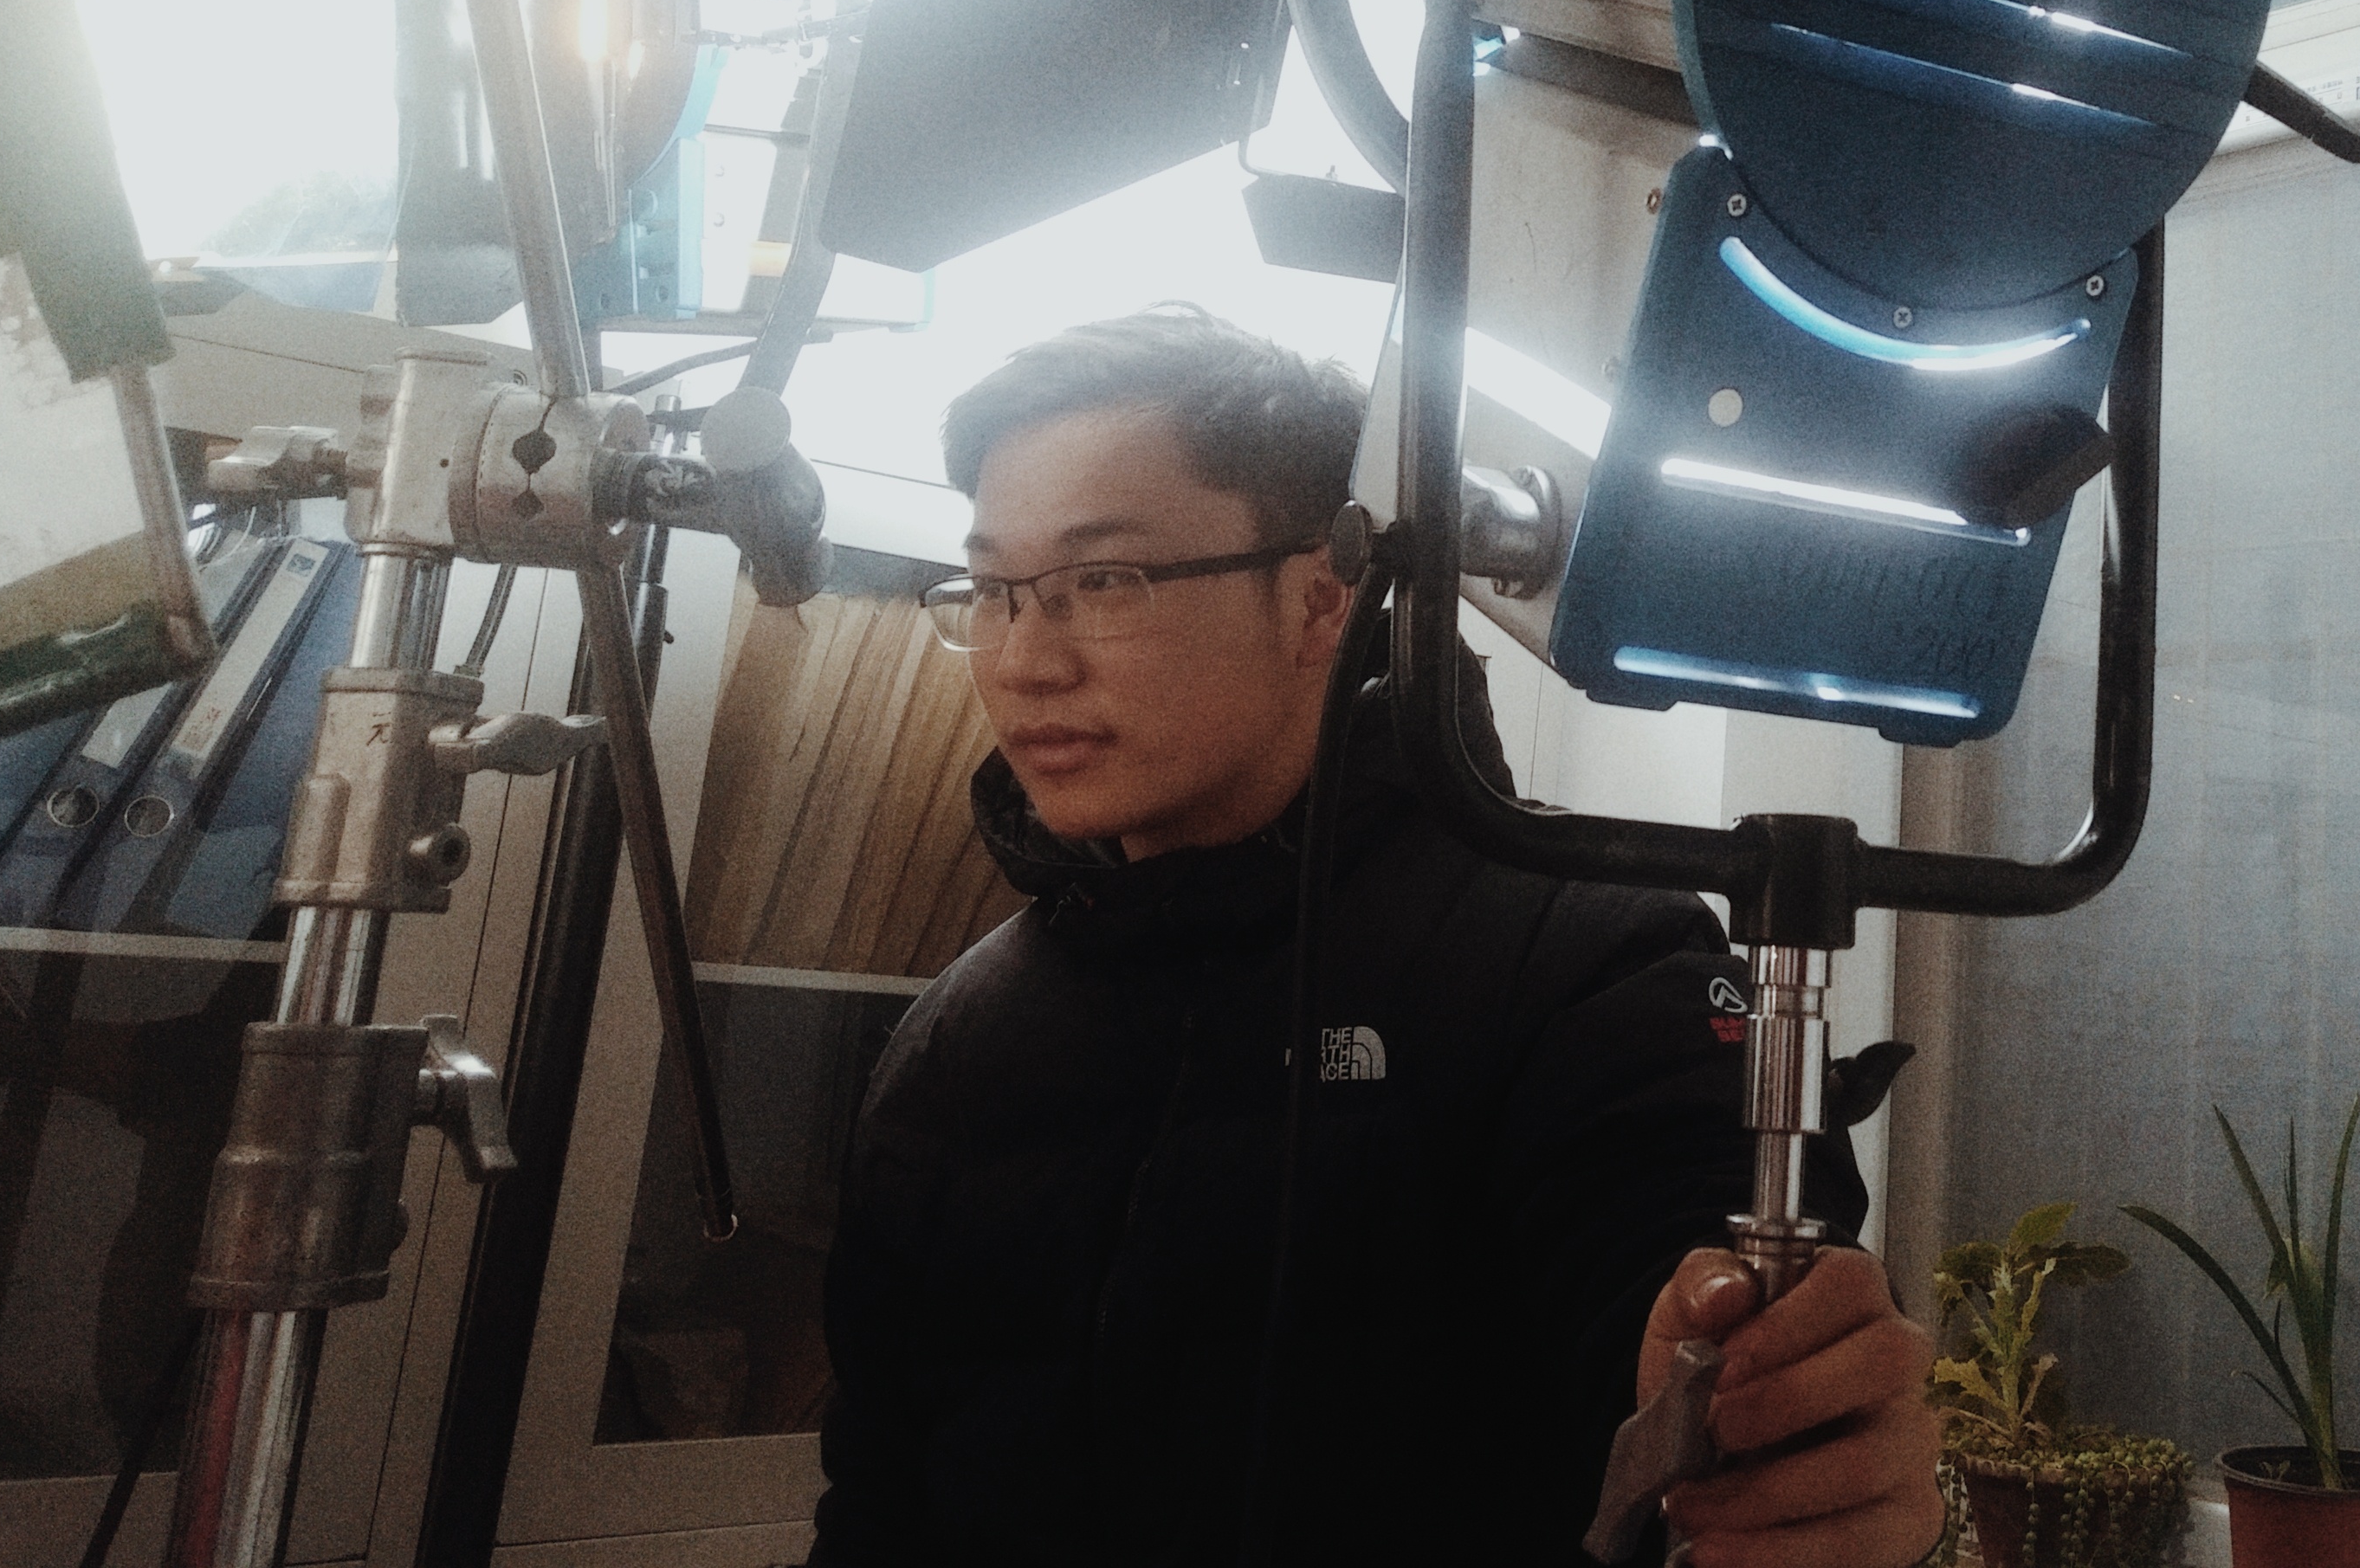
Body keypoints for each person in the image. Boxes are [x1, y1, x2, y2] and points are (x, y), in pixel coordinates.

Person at [811, 307, 1943, 1567]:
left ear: (1320, 601)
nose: (1026, 661)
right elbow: (879, 1493)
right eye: (996, 592)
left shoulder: (1589, 960)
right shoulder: (962, 1035)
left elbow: (1683, 1276)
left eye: (1104, 582)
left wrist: (1785, 1418)